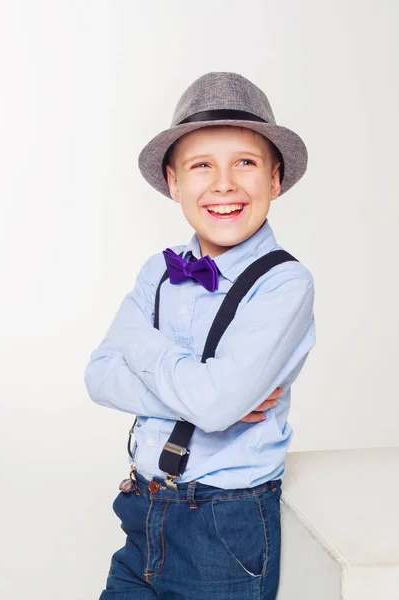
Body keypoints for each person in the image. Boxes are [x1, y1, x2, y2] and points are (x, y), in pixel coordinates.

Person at [84, 71, 316, 600]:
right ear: (173, 183)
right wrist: (204, 391)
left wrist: (139, 344)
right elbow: (99, 376)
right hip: (142, 509)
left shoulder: (285, 283)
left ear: (275, 180)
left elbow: (214, 409)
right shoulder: (159, 272)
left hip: (223, 526)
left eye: (246, 163)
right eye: (201, 166)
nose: (224, 184)